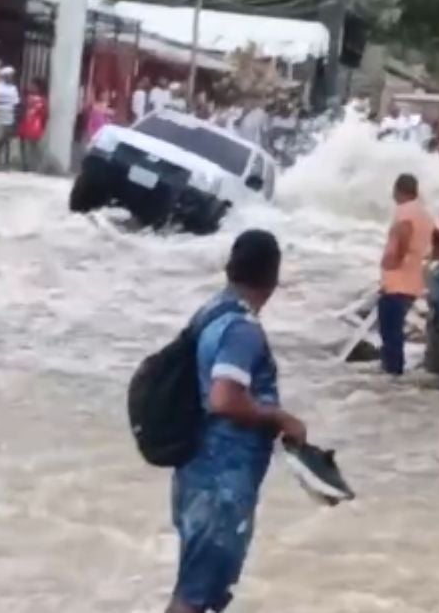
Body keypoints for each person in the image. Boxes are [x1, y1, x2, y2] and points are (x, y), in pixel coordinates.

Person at [167, 229, 308, 613]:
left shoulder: (212, 311)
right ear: (273, 277)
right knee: (195, 596)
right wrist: (280, 417)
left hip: (196, 470)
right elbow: (224, 398)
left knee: (201, 589)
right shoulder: (243, 329)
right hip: (221, 482)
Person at [378, 174, 436, 377]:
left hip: (398, 279)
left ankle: (392, 373)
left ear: (397, 190)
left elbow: (404, 232)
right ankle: (394, 372)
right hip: (414, 278)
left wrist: (395, 260)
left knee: (389, 330)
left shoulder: (405, 211)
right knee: (395, 329)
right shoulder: (424, 214)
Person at [0, 66, 19, 168]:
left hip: (9, 114)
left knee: (6, 140)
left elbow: (15, 102)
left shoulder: (13, 88)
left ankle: (5, 163)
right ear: (4, 76)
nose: (11, 77)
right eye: (9, 75)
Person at [16, 82, 47, 172]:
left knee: (35, 145)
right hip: (27, 122)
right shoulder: (28, 97)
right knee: (25, 144)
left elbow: (44, 113)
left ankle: (37, 165)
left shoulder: (42, 100)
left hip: (35, 123)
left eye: (34, 86)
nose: (31, 87)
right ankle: (26, 164)